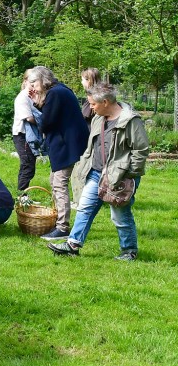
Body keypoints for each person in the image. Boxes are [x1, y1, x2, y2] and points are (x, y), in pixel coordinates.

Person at [48, 83, 148, 261]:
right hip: (96, 173)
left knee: (120, 215)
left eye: (93, 104)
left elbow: (141, 150)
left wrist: (129, 174)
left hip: (120, 176)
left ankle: (129, 251)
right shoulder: (98, 118)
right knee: (85, 208)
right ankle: (72, 245)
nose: (91, 108)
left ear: (106, 102)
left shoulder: (131, 120)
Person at [27, 66, 88, 240]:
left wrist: (36, 104)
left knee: (59, 183)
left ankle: (62, 227)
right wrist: (38, 101)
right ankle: (58, 221)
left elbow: (45, 123)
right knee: (54, 180)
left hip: (66, 145)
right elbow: (50, 117)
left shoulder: (55, 93)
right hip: (67, 143)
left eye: (34, 82)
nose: (32, 87)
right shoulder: (59, 89)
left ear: (43, 79)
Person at [11, 70, 40, 192]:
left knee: (29, 165)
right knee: (27, 165)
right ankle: (22, 195)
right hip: (22, 135)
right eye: (31, 82)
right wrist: (45, 122)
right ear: (26, 81)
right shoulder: (22, 97)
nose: (34, 85)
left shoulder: (33, 96)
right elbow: (29, 118)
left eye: (36, 82)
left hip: (29, 135)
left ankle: (22, 194)